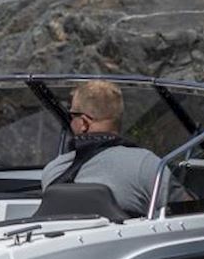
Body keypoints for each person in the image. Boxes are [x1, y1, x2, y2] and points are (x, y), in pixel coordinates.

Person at [40, 80, 173, 217]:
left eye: (72, 116)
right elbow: (181, 210)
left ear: (84, 123)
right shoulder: (147, 164)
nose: (71, 122)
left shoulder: (55, 171)